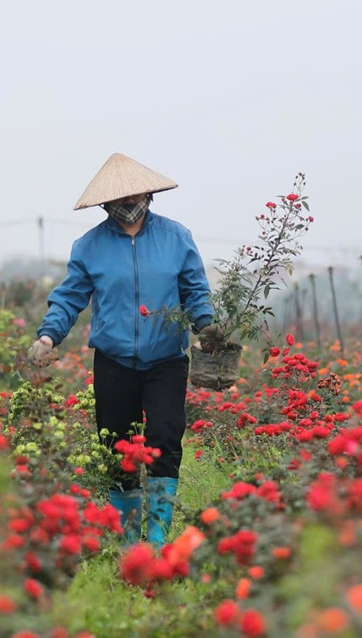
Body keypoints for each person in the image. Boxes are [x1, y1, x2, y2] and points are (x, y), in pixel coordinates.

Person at [28, 153, 224, 547]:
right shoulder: (89, 247)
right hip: (114, 361)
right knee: (116, 443)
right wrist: (48, 336)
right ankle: (127, 536)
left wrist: (207, 326)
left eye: (134, 196)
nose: (128, 204)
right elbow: (69, 298)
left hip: (167, 358)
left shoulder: (176, 238)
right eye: (118, 200)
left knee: (165, 437)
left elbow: (195, 290)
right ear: (105, 205)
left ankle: (156, 534)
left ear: (149, 195)